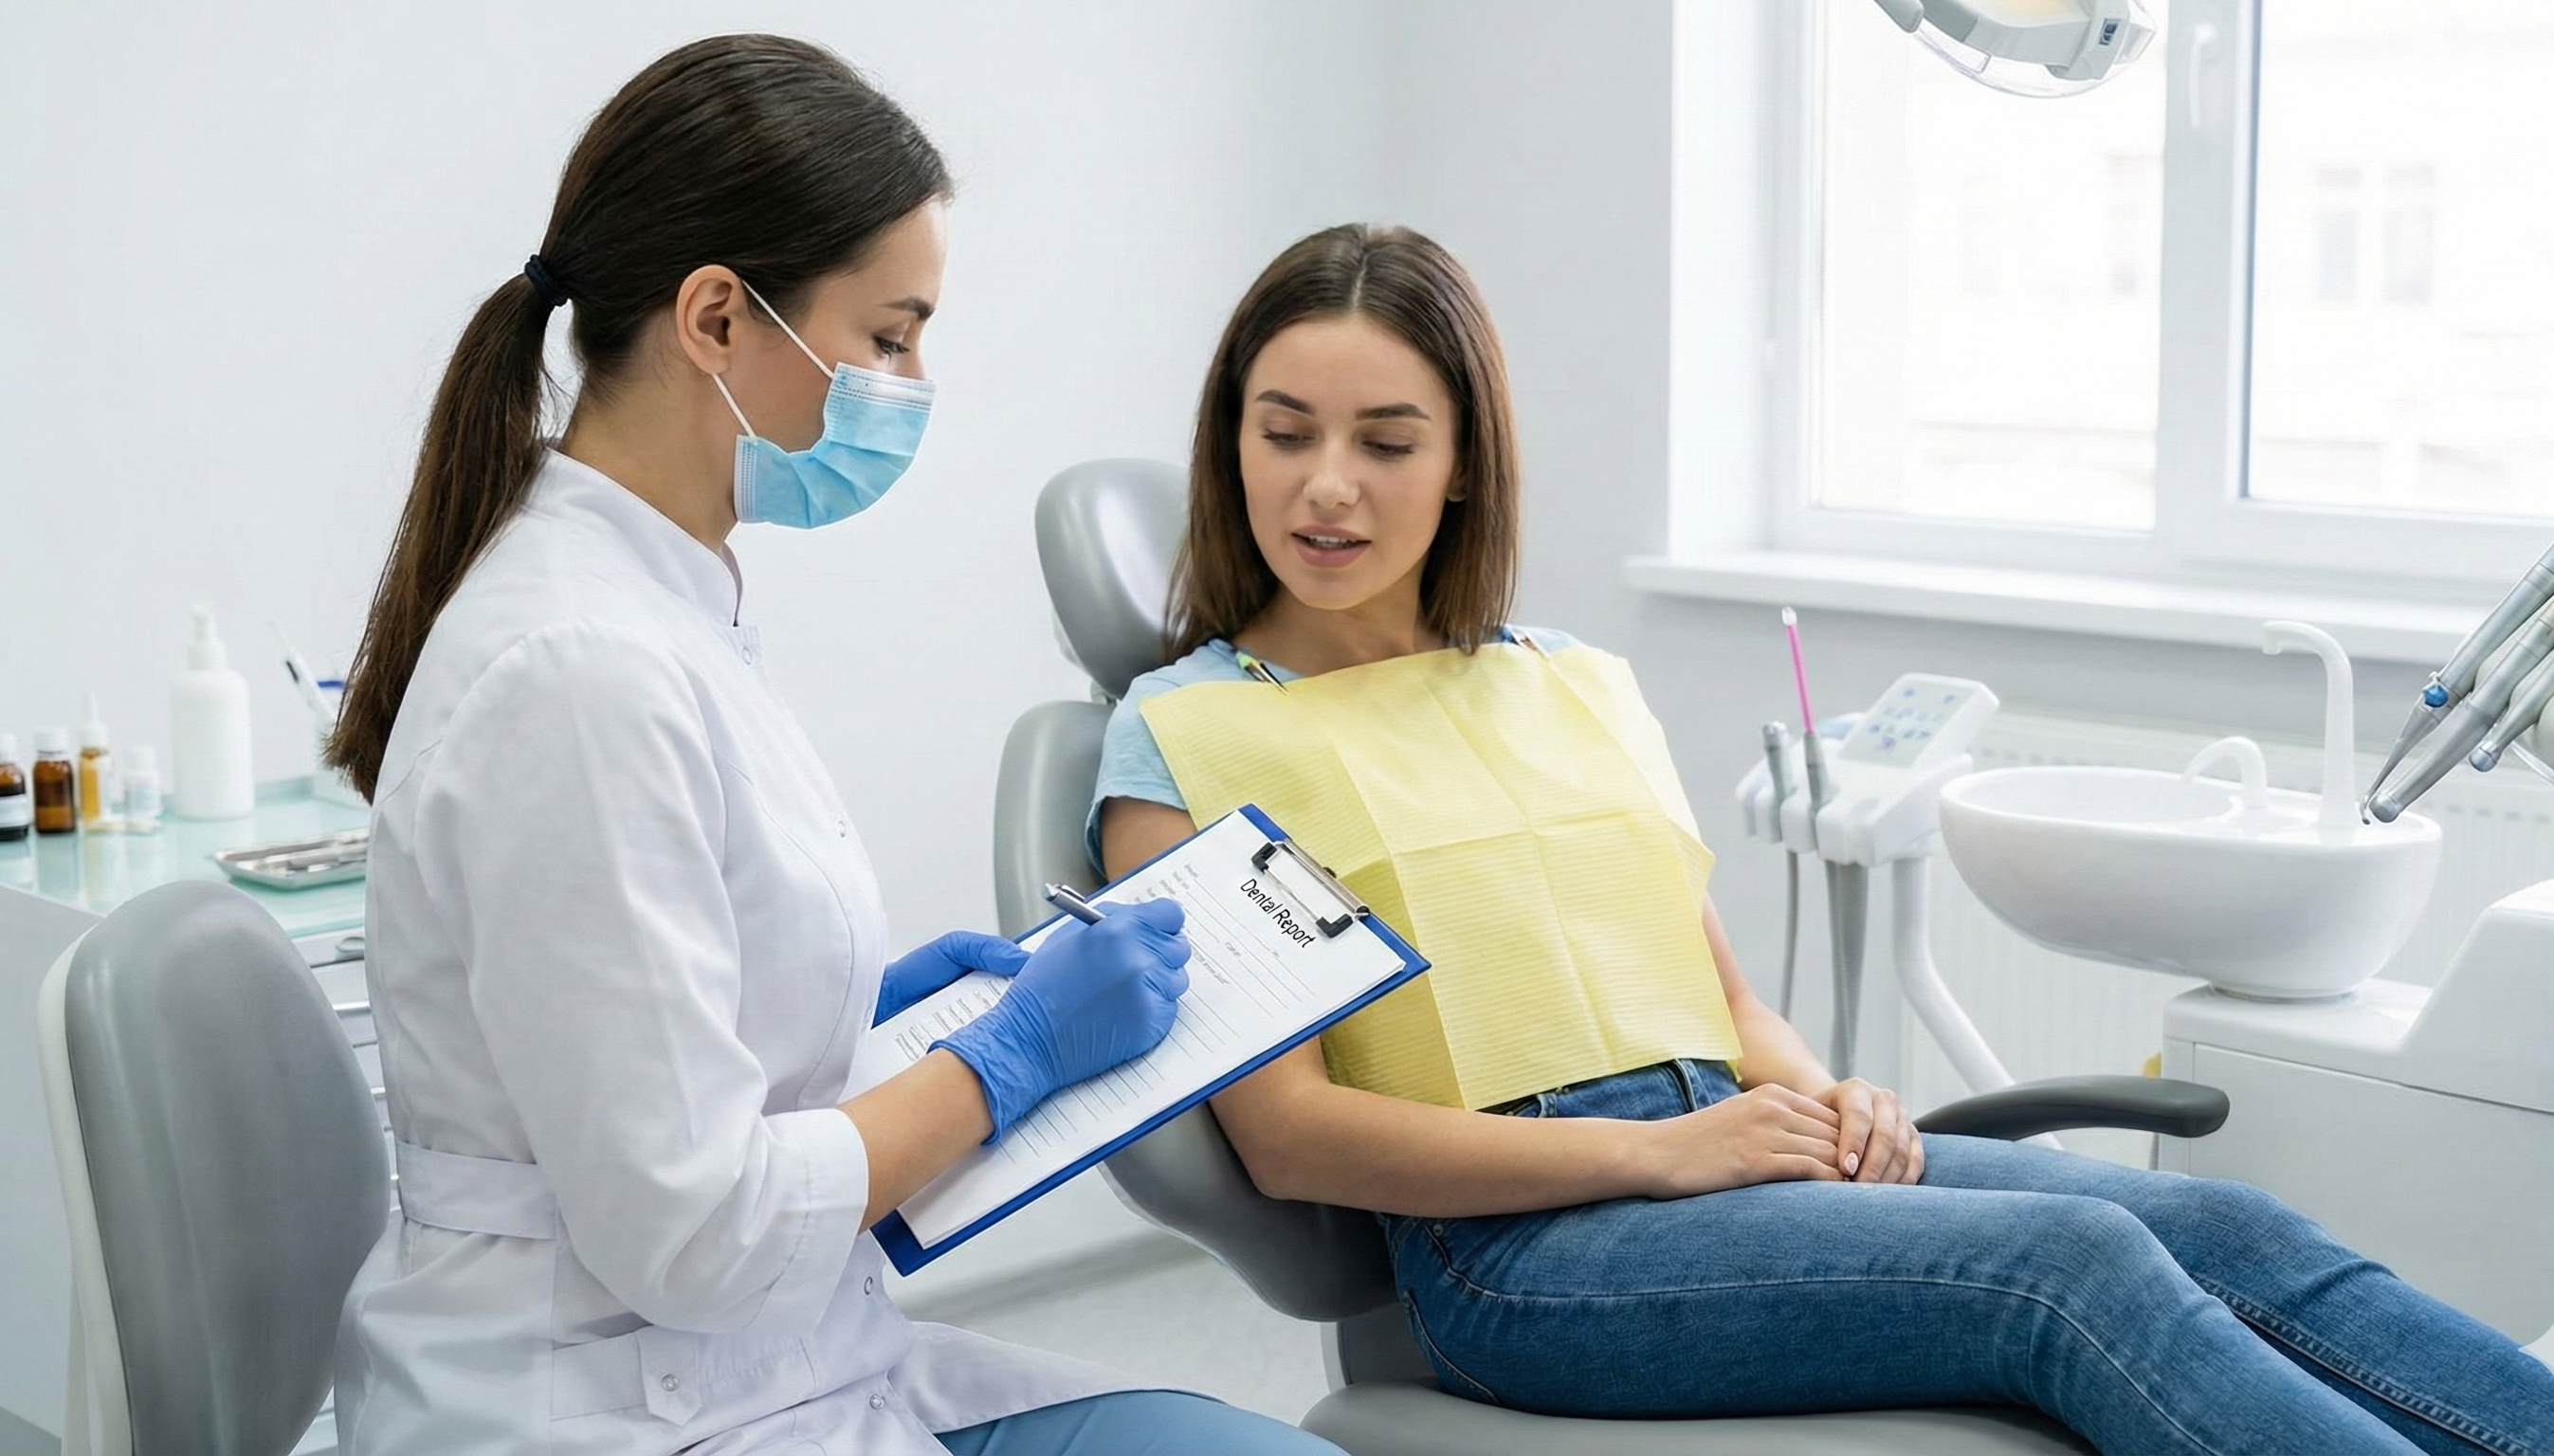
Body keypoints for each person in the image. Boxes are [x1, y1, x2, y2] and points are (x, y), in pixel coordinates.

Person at [1092, 222, 2554, 1456]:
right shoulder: (1189, 742)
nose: (1325, 483)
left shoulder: (1564, 682)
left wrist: (1832, 1100)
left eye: (1384, 441)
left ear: (1464, 460)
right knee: (2069, 1266)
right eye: (1283, 433)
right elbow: (1286, 1139)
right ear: (1233, 445)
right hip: (1521, 1257)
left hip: (1730, 1148)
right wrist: (1660, 1158)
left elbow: (1725, 1005)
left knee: (2234, 1233)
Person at [325, 35, 1340, 1456]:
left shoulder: (665, 599)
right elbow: (698, 1239)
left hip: (774, 1362)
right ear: (715, 319)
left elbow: (668, 1021)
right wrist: (1008, 1059)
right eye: (887, 336)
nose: (910, 383)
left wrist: (859, 1023)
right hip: (618, 1403)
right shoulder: (577, 675)